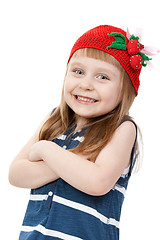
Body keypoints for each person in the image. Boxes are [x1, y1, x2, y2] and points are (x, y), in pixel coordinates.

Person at [8, 25, 158, 240]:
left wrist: (45, 149)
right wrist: (74, 162)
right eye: (78, 72)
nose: (86, 84)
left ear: (125, 89)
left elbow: (97, 182)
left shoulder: (122, 128)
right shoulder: (55, 121)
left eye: (102, 77)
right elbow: (16, 175)